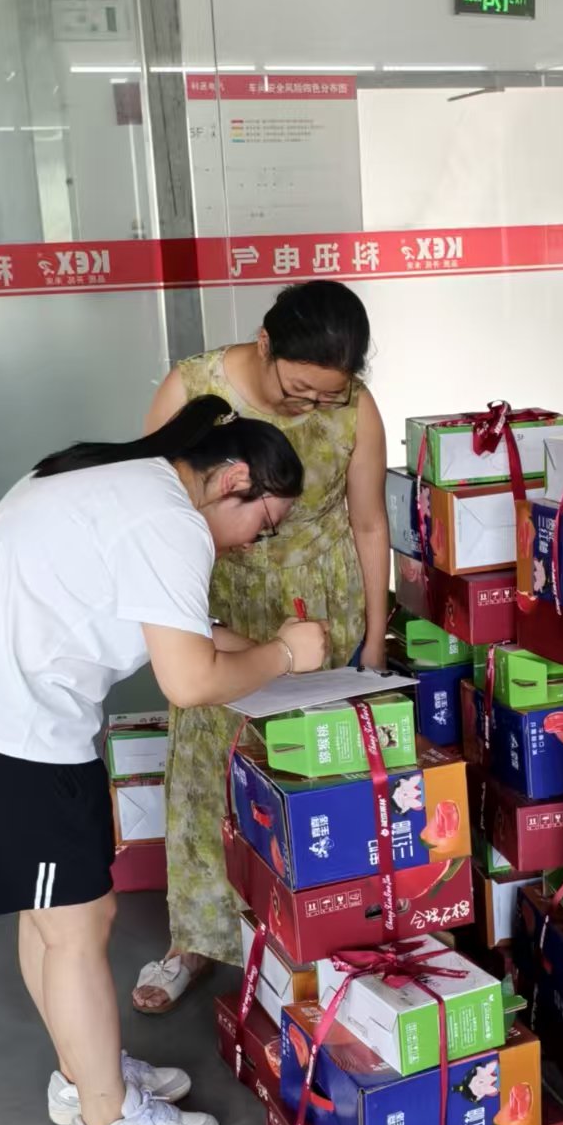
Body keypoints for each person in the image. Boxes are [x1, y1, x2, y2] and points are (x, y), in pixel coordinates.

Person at [0, 397, 329, 1125]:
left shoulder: (121, 479)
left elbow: (184, 633)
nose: (250, 543)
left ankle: (84, 1073)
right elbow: (190, 679)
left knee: (52, 919)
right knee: (77, 926)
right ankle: (107, 1121)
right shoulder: (168, 522)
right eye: (260, 525)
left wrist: (272, 658)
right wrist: (288, 656)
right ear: (233, 478)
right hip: (5, 738)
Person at [131, 280, 390, 1015]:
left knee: (313, 781)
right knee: (207, 773)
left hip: (318, 611)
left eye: (327, 396)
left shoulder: (354, 406)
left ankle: (312, 943)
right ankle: (197, 938)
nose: (310, 406)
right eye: (298, 389)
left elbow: (369, 523)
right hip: (219, 601)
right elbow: (154, 506)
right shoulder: (193, 388)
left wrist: (374, 639)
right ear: (266, 342)